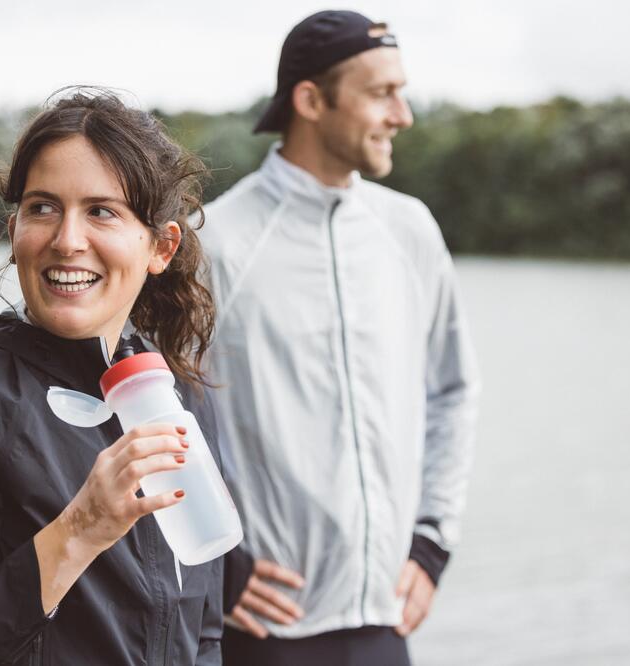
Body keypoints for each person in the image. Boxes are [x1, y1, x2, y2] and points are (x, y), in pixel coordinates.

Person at [0, 89, 224, 665]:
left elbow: (203, 630)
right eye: (43, 207)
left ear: (161, 246)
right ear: (15, 230)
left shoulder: (178, 397)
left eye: (101, 211)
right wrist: (79, 530)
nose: (67, 239)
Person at [198, 10, 481, 665]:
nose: (403, 114)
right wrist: (216, 559)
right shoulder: (217, 243)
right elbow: (149, 414)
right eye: (382, 93)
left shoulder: (410, 231)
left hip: (385, 627)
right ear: (310, 101)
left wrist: (432, 542)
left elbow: (454, 391)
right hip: (264, 633)